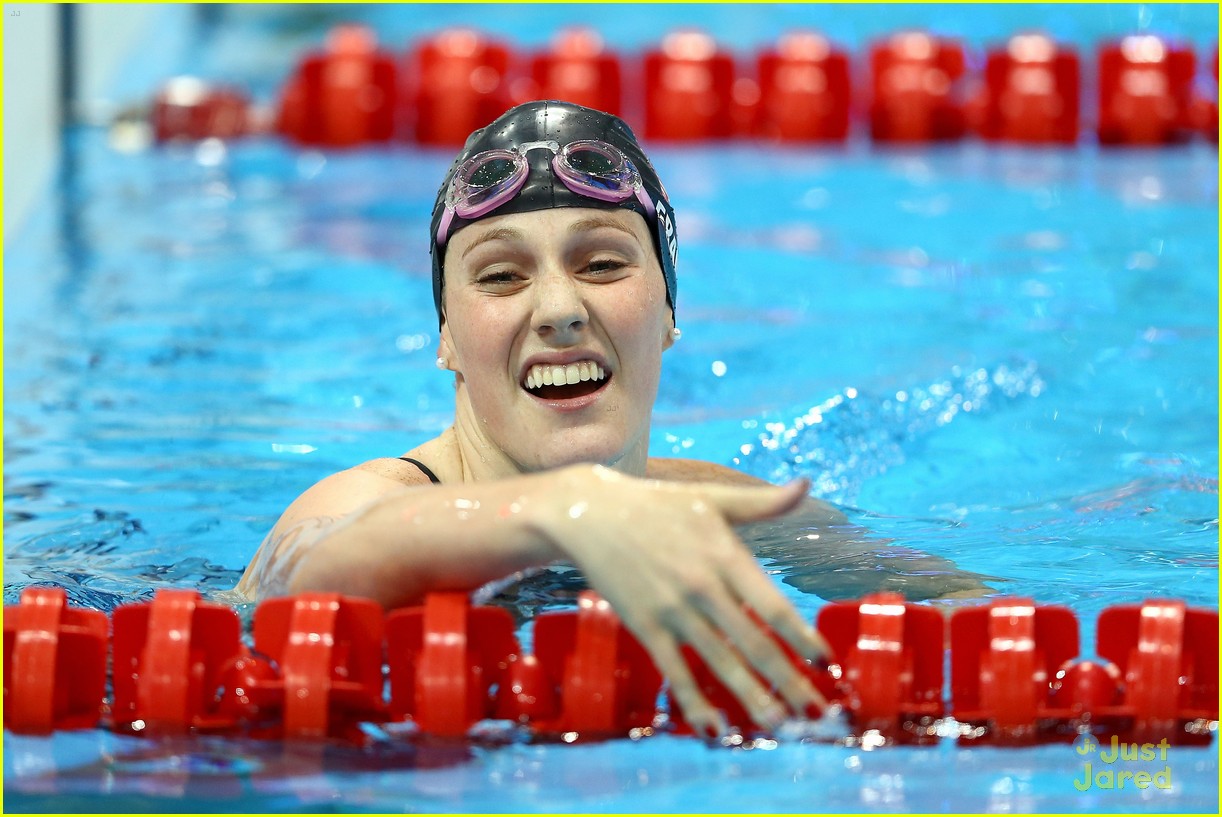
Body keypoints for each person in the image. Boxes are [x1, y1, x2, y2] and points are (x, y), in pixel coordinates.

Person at [235, 100, 989, 738]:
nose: (560, 311)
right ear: (445, 338)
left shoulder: (729, 509)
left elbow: (980, 610)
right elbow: (308, 577)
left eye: (602, 264)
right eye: (501, 276)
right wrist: (567, 510)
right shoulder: (367, 497)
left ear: (667, 312)